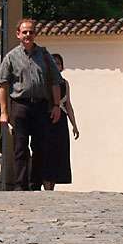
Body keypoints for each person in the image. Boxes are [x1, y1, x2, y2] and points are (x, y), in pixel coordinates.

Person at [0, 18, 64, 191]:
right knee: (20, 147)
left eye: (31, 32)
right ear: (18, 34)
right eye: (24, 32)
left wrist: (56, 105)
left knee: (40, 147)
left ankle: (35, 185)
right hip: (20, 106)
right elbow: (3, 85)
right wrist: (4, 112)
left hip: (41, 106)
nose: (28, 35)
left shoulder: (44, 55)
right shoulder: (11, 57)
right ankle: (21, 186)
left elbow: (55, 81)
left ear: (35, 34)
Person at [42, 53, 78, 189]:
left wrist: (74, 125)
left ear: (62, 67)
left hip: (61, 121)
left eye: (58, 63)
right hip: (46, 119)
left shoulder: (65, 83)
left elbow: (68, 104)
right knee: (46, 152)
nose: (56, 66)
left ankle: (52, 185)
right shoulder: (44, 82)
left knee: (58, 152)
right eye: (53, 63)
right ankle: (45, 183)